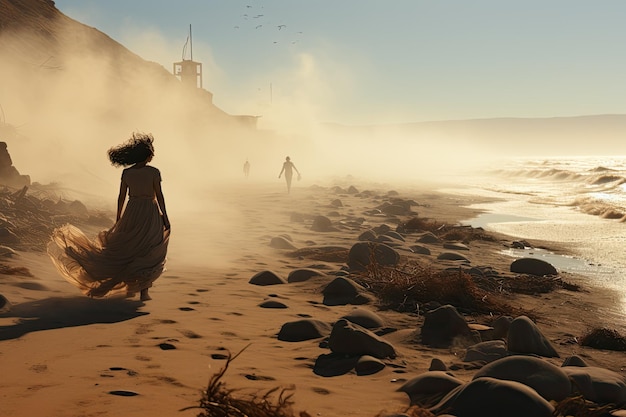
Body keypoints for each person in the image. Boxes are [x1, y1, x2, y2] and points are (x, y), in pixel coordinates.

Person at [47, 133, 170, 301]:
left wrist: (119, 217)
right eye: (152, 153)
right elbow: (160, 196)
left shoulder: (127, 173)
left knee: (128, 249)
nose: (153, 156)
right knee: (148, 249)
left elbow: (121, 197)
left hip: (132, 211)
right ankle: (143, 292)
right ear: (147, 155)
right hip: (150, 212)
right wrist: (165, 216)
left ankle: (131, 289)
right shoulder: (154, 172)